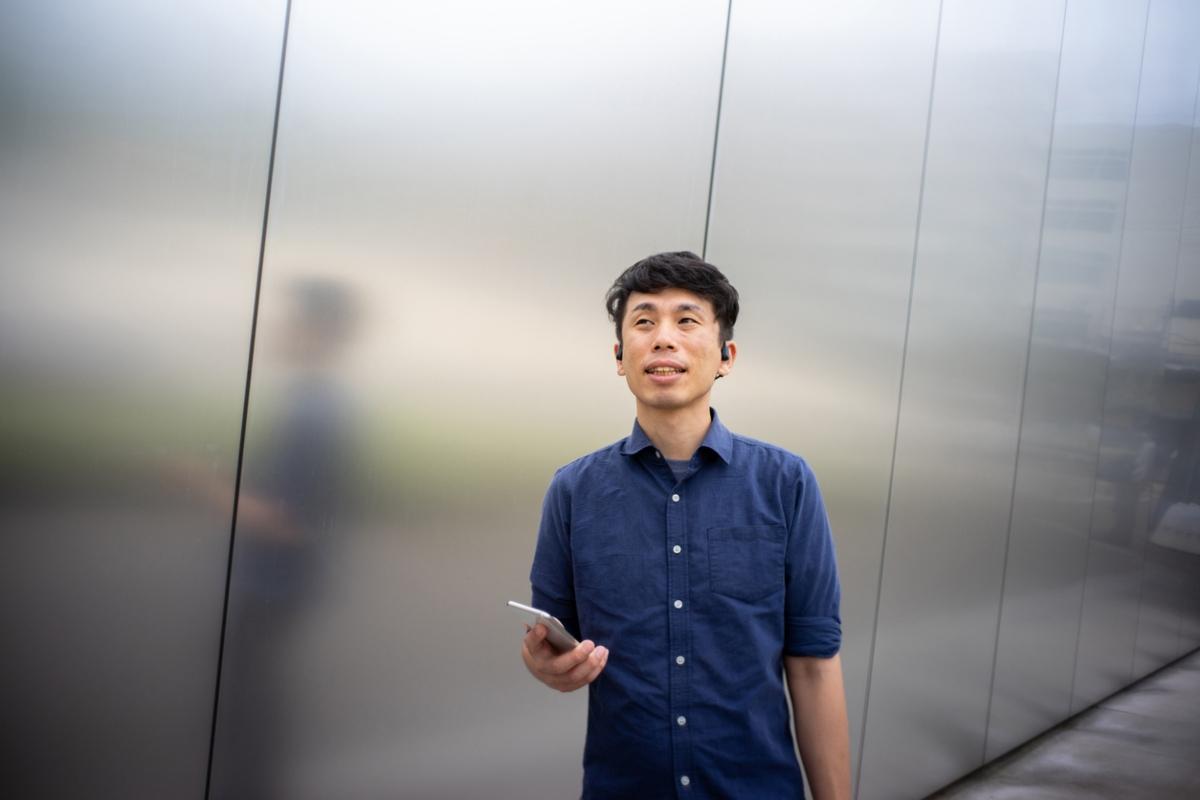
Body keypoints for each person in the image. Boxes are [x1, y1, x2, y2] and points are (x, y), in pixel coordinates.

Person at [521, 252, 851, 798]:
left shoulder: (786, 483)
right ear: (620, 356)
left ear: (726, 356)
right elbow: (551, 641)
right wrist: (544, 664)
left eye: (687, 320)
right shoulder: (573, 491)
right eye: (644, 321)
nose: (663, 338)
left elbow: (814, 665)